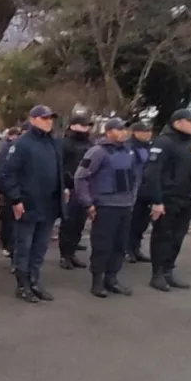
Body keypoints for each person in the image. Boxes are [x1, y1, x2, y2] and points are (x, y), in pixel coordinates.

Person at [0, 105, 65, 303]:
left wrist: (64, 189)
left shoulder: (53, 142)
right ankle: (22, 285)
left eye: (50, 118)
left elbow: (59, 170)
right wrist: (16, 199)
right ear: (33, 119)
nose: (49, 121)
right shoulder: (22, 143)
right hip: (28, 204)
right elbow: (6, 174)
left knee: (40, 247)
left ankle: (34, 281)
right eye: (44, 118)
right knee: (24, 247)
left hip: (49, 204)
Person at [74, 118, 144, 298]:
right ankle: (97, 281)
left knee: (119, 245)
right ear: (109, 132)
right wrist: (87, 202)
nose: (123, 133)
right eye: (119, 130)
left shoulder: (129, 151)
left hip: (125, 205)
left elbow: (135, 177)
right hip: (105, 206)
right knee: (102, 245)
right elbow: (80, 177)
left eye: (124, 129)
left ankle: (112, 279)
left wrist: (132, 197)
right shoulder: (98, 152)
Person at [142, 108, 191, 291]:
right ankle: (158, 274)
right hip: (167, 198)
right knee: (163, 236)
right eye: (190, 121)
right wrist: (157, 200)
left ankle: (169, 270)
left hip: (186, 197)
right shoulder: (164, 142)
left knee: (177, 236)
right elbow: (152, 173)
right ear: (177, 123)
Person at [57, 113, 94, 269]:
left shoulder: (90, 144)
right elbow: (60, 166)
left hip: (86, 188)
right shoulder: (65, 144)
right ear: (72, 126)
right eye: (82, 125)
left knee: (79, 223)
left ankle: (72, 253)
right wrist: (64, 186)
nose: (85, 128)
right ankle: (64, 255)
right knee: (68, 223)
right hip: (70, 187)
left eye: (87, 126)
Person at [0, 126, 23, 262]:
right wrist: (5, 191)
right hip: (11, 193)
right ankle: (11, 249)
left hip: (18, 193)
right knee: (11, 222)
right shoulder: (8, 150)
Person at [125, 121, 154, 263]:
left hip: (147, 189)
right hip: (134, 189)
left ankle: (136, 248)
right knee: (132, 221)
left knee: (142, 222)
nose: (148, 134)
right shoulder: (129, 147)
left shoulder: (150, 147)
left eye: (149, 131)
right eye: (145, 131)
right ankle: (127, 248)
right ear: (135, 132)